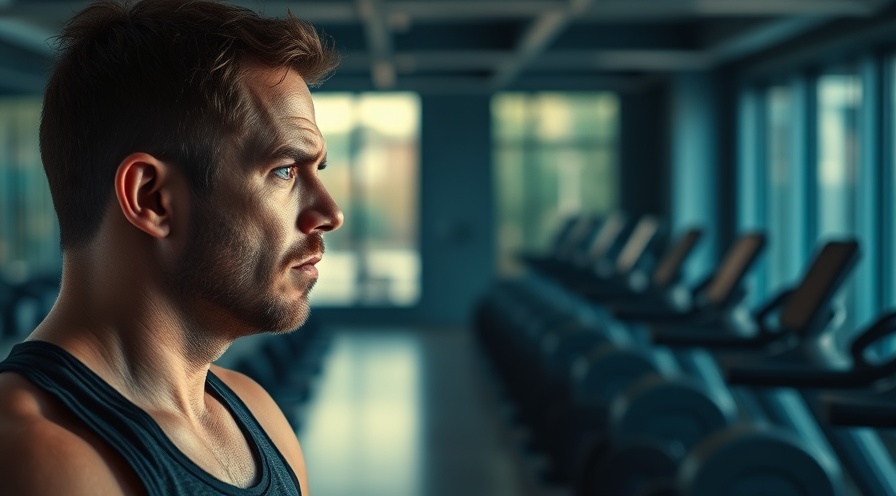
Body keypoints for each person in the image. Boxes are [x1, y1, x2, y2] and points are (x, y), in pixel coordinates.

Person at [0, 0, 343, 494]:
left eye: (317, 169)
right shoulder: (41, 457)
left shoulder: (260, 417)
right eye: (285, 170)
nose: (329, 212)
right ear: (153, 199)